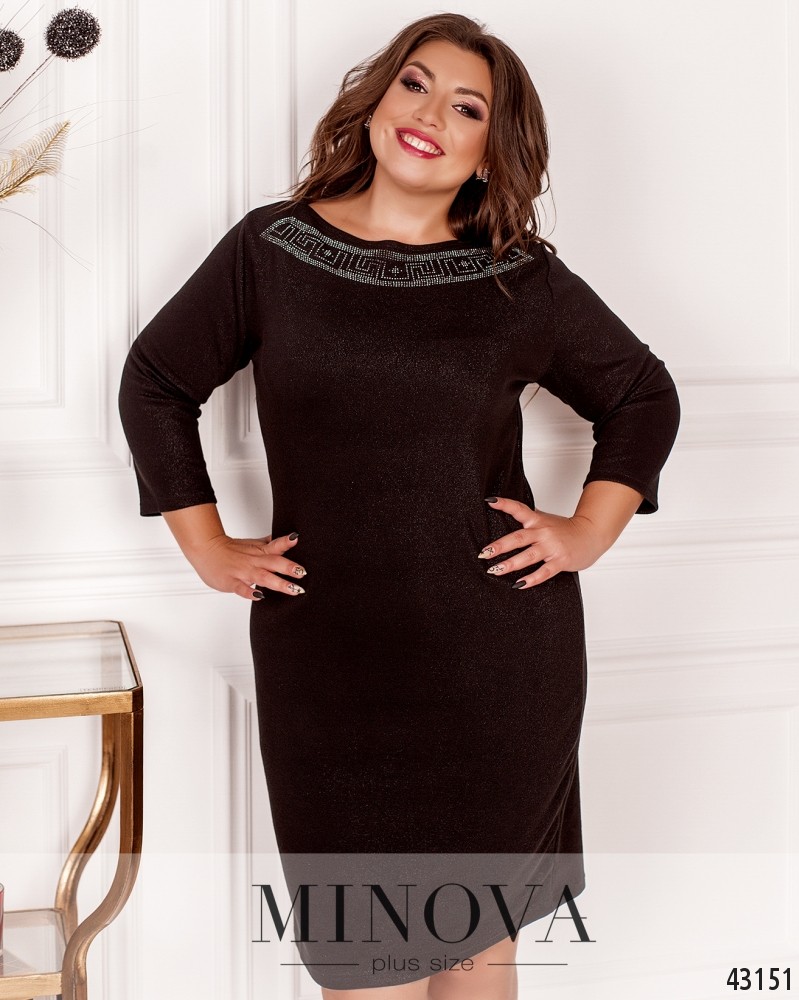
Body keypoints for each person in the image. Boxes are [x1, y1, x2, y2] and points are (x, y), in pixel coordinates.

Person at [118, 12, 680, 1000]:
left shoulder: (519, 278)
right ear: (377, 99)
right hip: (328, 663)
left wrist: (589, 528)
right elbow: (157, 381)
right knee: (362, 963)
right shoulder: (271, 250)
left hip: (497, 665)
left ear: (490, 149)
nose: (428, 115)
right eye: (414, 84)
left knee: (478, 949)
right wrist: (205, 544)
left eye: (467, 107)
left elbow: (641, 396)